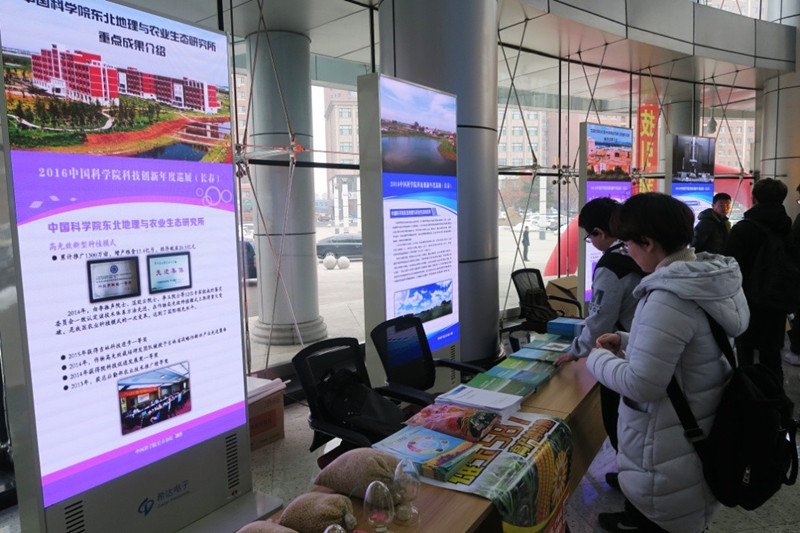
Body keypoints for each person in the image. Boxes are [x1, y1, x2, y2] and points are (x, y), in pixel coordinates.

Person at [588, 192, 749, 533]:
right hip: (701, 428)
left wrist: (597, 358)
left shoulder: (668, 295)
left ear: (648, 243)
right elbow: (692, 346)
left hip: (667, 447)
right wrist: (627, 341)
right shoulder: (706, 279)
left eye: (628, 243)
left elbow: (641, 384)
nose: (626, 251)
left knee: (662, 522)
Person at [554, 198, 643, 490]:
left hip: (622, 353)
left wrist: (575, 351)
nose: (591, 242)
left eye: (590, 236)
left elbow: (601, 319)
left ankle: (632, 488)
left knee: (619, 421)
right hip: (640, 342)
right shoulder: (636, 254)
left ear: (600, 232)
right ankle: (633, 478)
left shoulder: (610, 266)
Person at [725, 178, 793, 383]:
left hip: (747, 300)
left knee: (745, 355)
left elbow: (731, 268)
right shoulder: (788, 228)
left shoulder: (743, 229)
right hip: (777, 299)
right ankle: (775, 396)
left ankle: (749, 395)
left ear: (754, 198)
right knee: (772, 355)